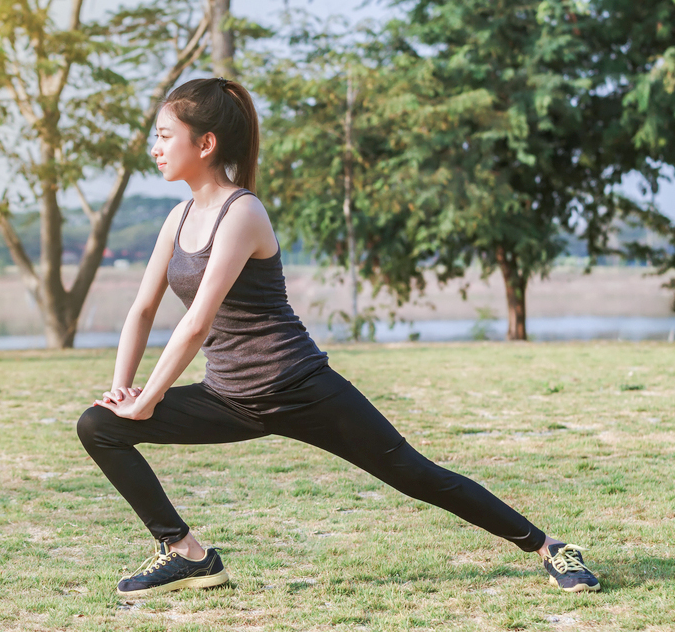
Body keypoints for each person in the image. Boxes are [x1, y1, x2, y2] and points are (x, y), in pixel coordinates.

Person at [76, 77, 600, 597]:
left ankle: (548, 547)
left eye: (166, 135)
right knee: (100, 425)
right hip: (229, 398)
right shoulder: (178, 217)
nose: (156, 147)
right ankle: (187, 554)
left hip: (301, 387)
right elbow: (143, 309)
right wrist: (124, 390)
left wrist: (150, 398)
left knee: (417, 475)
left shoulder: (243, 213)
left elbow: (195, 323)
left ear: (205, 143)